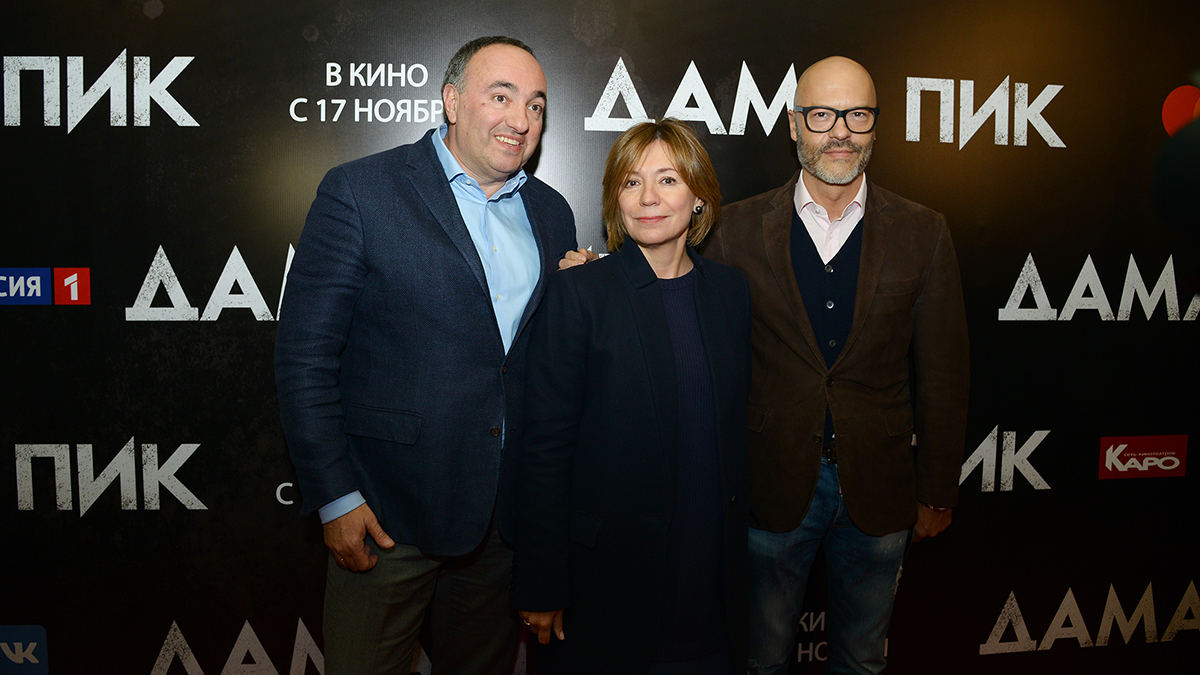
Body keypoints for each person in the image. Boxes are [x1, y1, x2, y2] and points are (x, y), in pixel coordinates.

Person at [563, 56, 969, 674]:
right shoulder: (736, 227)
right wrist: (598, 275)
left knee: (864, 661)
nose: (840, 131)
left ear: (876, 125)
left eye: (857, 115)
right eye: (822, 115)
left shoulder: (924, 231)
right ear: (795, 125)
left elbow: (943, 372)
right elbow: (668, 281)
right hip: (767, 487)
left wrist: (937, 489)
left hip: (882, 489)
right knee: (759, 659)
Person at [274, 36, 577, 675]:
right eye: (501, 97)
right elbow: (305, 357)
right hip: (388, 514)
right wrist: (336, 497)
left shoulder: (551, 212)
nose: (521, 119)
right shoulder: (361, 190)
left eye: (536, 105)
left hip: (500, 523)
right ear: (452, 101)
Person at [512, 118, 752, 675]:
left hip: (712, 579)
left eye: (668, 180)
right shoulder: (579, 292)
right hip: (608, 587)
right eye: (631, 182)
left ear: (699, 196)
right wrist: (542, 580)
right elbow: (544, 449)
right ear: (614, 199)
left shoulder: (729, 291)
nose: (647, 198)